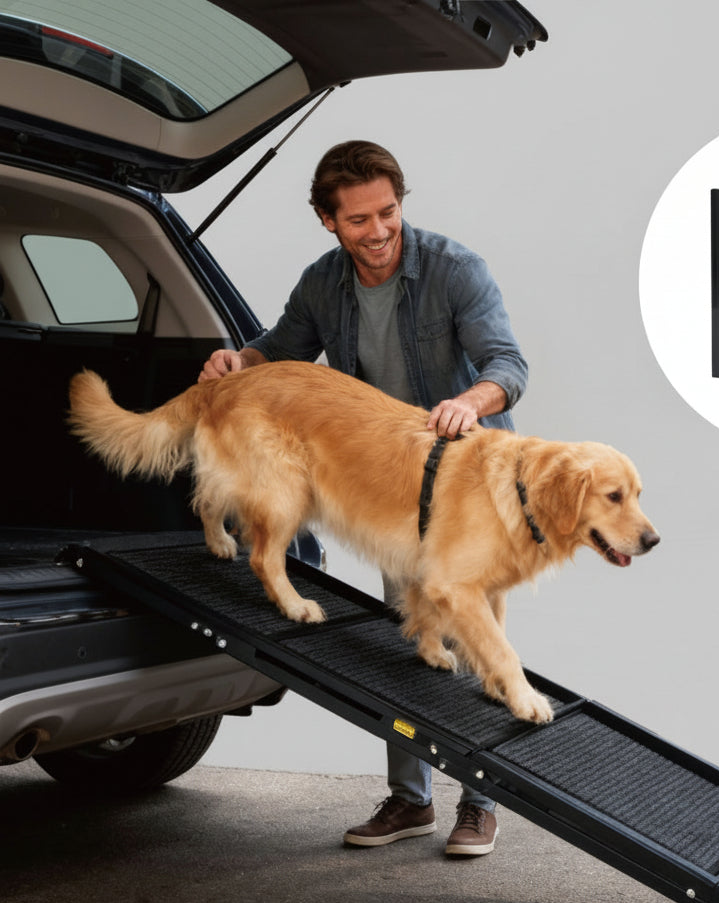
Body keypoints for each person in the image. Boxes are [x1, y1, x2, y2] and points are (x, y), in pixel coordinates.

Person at [199, 140, 528, 857]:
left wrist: (470, 401)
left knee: (476, 634)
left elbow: (508, 363)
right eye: (358, 221)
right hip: (388, 483)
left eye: (388, 212)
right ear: (328, 222)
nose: (378, 231)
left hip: (469, 478)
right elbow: (280, 348)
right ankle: (411, 801)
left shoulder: (453, 270)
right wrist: (238, 361)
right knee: (402, 636)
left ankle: (481, 802)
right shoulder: (325, 283)